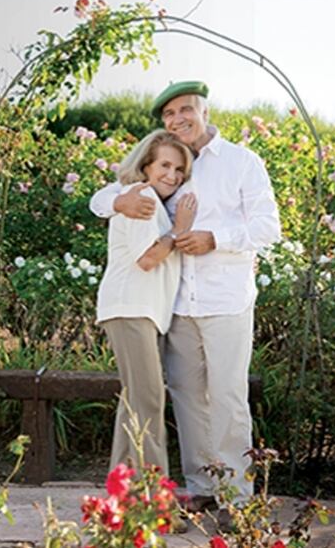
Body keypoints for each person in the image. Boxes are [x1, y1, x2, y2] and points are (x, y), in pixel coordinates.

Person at [90, 81, 281, 514]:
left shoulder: (241, 162)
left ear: (204, 111)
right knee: (186, 395)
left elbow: (268, 227)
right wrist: (118, 201)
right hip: (175, 303)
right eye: (170, 114)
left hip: (226, 299)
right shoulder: (169, 163)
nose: (178, 120)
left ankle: (236, 496)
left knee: (229, 396)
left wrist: (216, 238)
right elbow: (105, 197)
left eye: (186, 110)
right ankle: (200, 484)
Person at [96, 129, 197, 473]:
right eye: (165, 165)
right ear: (146, 166)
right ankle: (154, 499)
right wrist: (179, 230)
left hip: (140, 311)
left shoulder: (149, 199)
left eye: (179, 169)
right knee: (149, 400)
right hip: (129, 308)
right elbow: (148, 258)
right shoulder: (141, 196)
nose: (173, 175)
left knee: (136, 401)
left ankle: (124, 496)